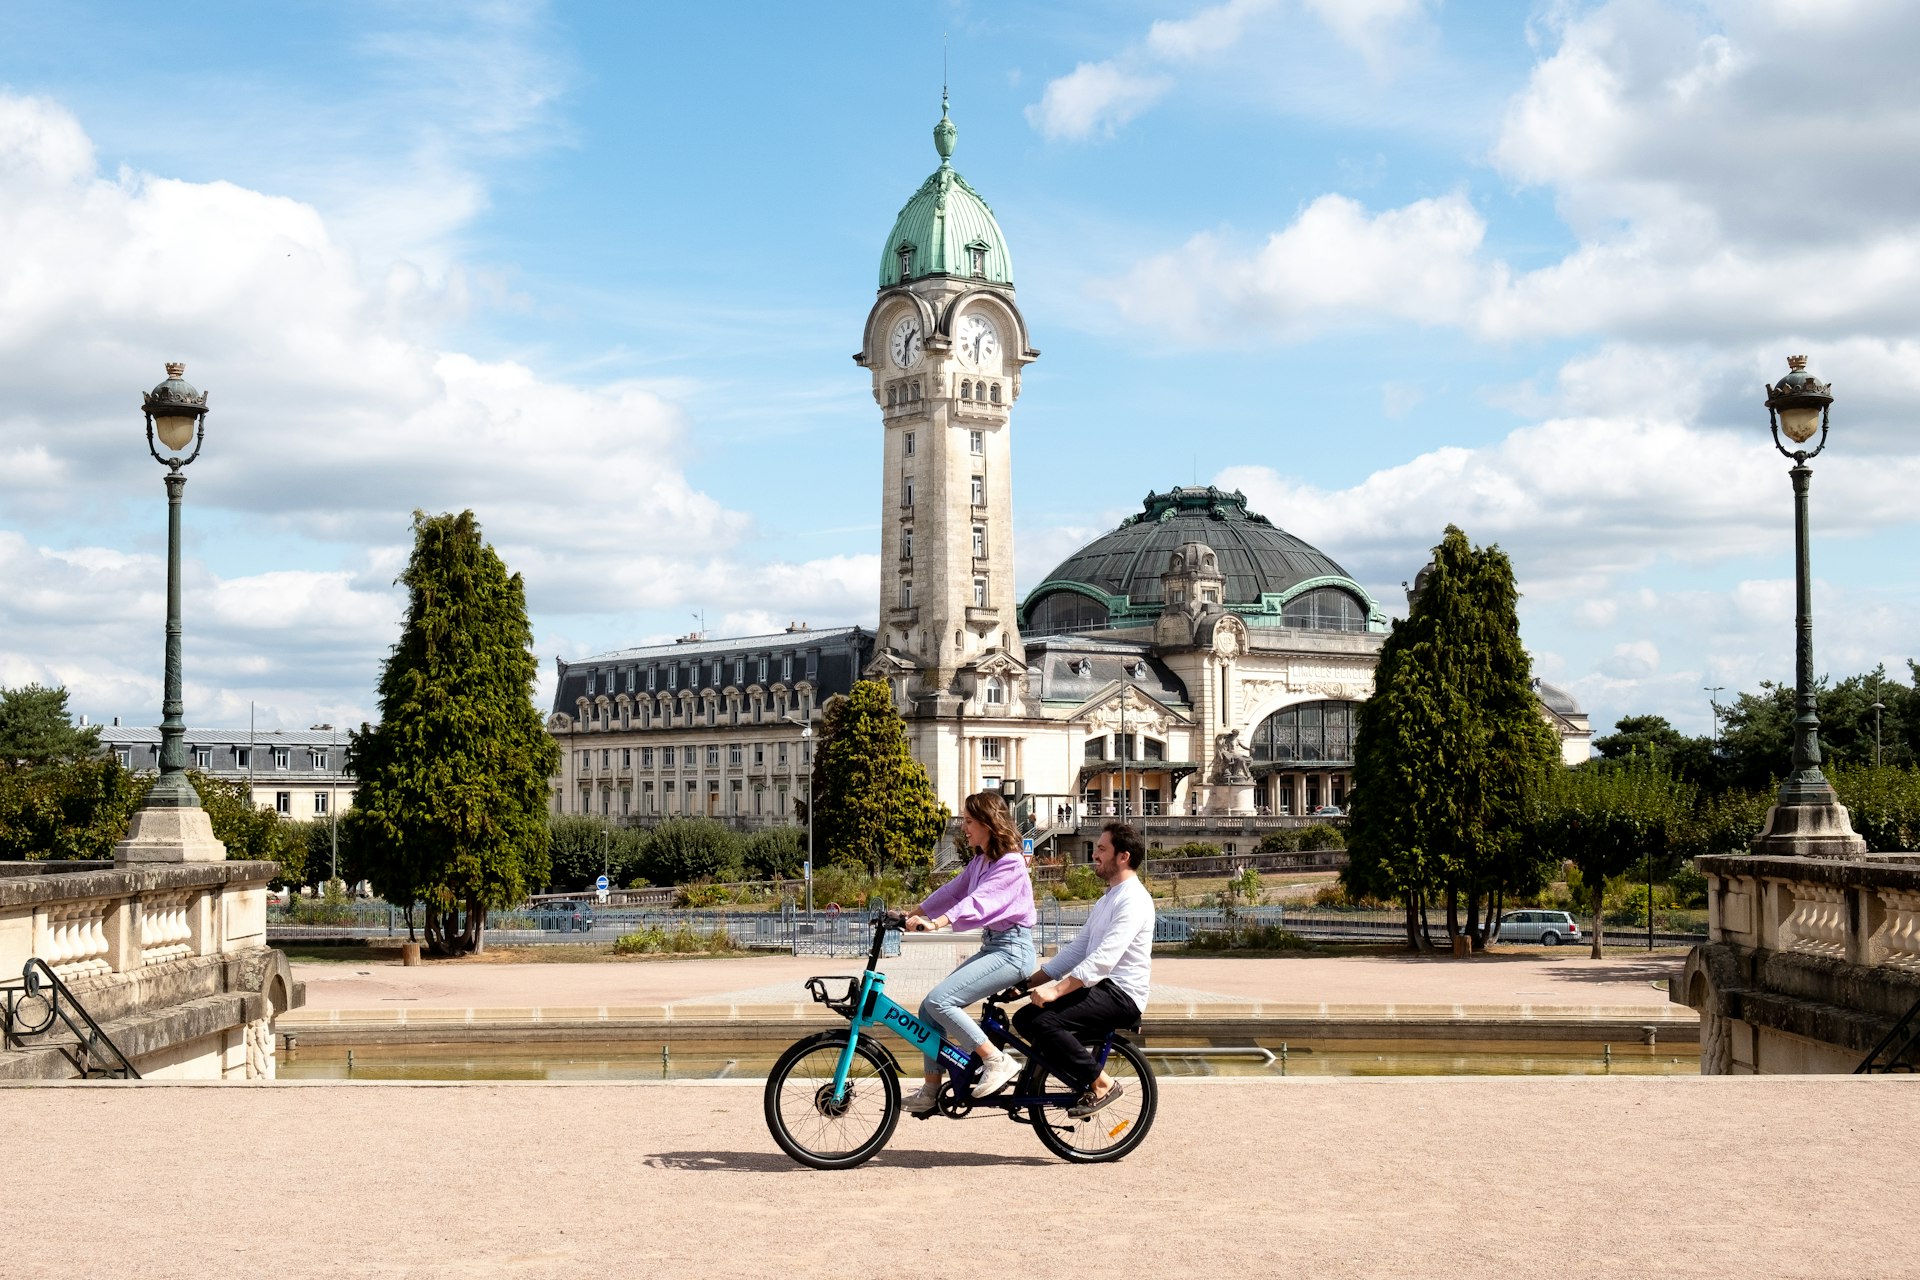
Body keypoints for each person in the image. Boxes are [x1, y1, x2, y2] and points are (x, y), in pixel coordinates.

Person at [902, 790, 1036, 1115]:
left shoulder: (1011, 864)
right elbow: (953, 891)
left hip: (1013, 951)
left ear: (989, 824)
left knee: (940, 1001)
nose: (965, 827)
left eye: (970, 821)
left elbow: (979, 900)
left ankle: (996, 1060)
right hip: (995, 946)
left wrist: (937, 925)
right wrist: (911, 914)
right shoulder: (981, 861)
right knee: (927, 1010)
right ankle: (932, 1088)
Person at [1014, 821, 1153, 1118]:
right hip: (1102, 988)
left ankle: (1102, 1084)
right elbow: (1078, 950)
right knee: (1025, 1018)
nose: (1094, 855)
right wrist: (1027, 983)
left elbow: (1104, 959)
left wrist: (1055, 991)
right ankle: (1081, 1079)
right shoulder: (1108, 899)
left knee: (1043, 1021)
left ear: (1123, 856)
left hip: (1121, 994)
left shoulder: (1135, 899)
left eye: (1102, 849)